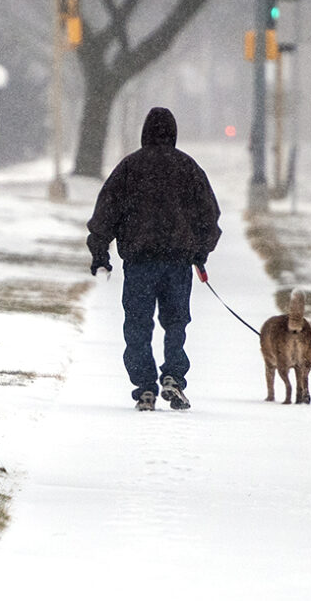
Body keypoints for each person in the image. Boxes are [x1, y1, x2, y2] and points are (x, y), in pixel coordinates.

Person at [86, 107, 222, 411]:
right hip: (177, 264)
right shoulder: (187, 168)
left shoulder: (130, 167)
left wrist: (100, 252)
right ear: (173, 132)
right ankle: (173, 375)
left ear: (145, 132)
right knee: (176, 322)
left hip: (140, 263)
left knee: (137, 323)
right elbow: (209, 216)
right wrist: (200, 251)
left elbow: (106, 212)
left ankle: (145, 387)